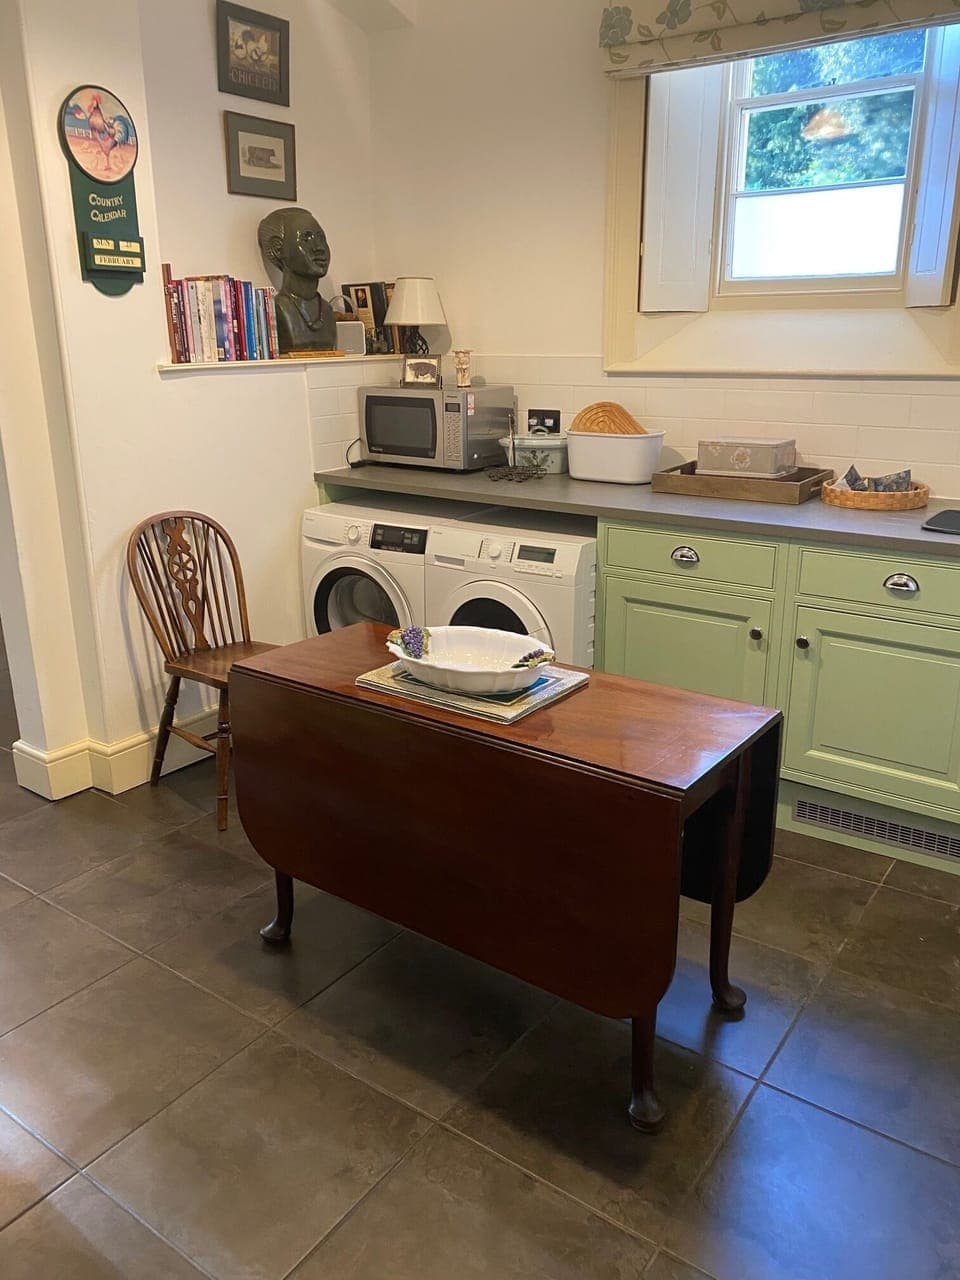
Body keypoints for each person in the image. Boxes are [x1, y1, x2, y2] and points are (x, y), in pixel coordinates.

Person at [257, 207, 337, 353]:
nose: (319, 248)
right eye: (306, 239)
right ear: (278, 249)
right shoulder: (276, 309)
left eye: (321, 238)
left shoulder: (327, 311)